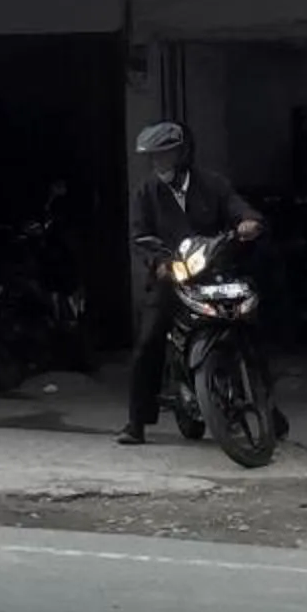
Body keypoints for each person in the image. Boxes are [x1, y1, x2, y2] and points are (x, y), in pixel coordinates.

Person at [118, 120, 275, 445]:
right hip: (173, 277)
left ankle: (268, 409)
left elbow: (238, 207)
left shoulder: (212, 184)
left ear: (181, 153)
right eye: (154, 157)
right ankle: (136, 422)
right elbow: (139, 236)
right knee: (148, 342)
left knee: (250, 327)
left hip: (217, 273)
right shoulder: (146, 192)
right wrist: (160, 263)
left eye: (165, 155)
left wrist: (249, 222)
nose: (159, 162)